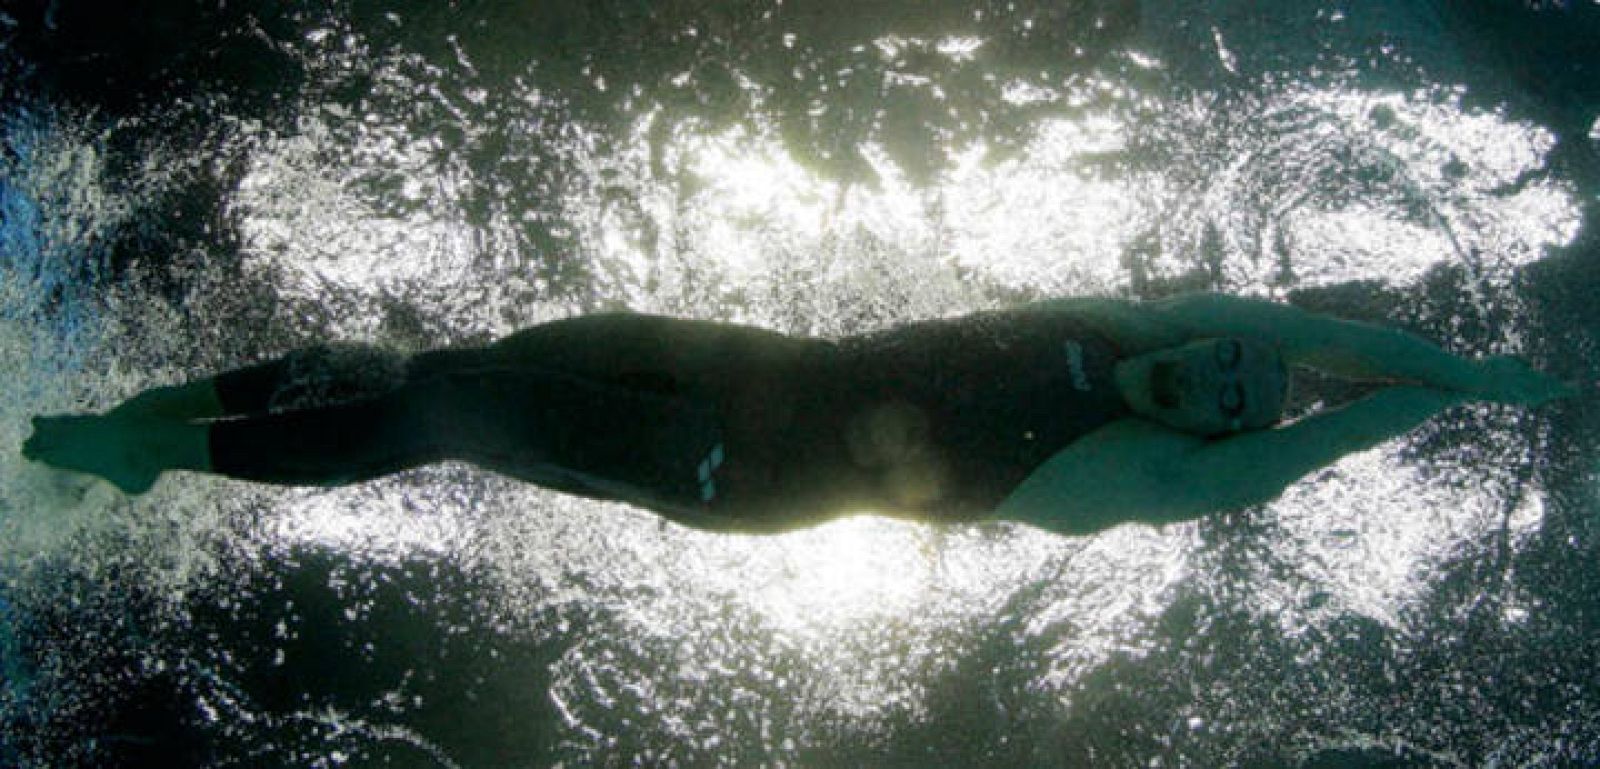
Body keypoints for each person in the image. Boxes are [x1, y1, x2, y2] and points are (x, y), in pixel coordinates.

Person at [21, 293, 1574, 535]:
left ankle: (147, 445)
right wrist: (1475, 365)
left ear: (1229, 434)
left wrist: (1435, 415)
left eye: (1243, 402)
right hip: (740, 362)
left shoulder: (1153, 468)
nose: (1229, 373)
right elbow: (1317, 337)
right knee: (455, 361)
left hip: (739, 460)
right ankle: (174, 421)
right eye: (1236, 357)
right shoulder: (1162, 328)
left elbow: (1319, 427)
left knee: (452, 411)